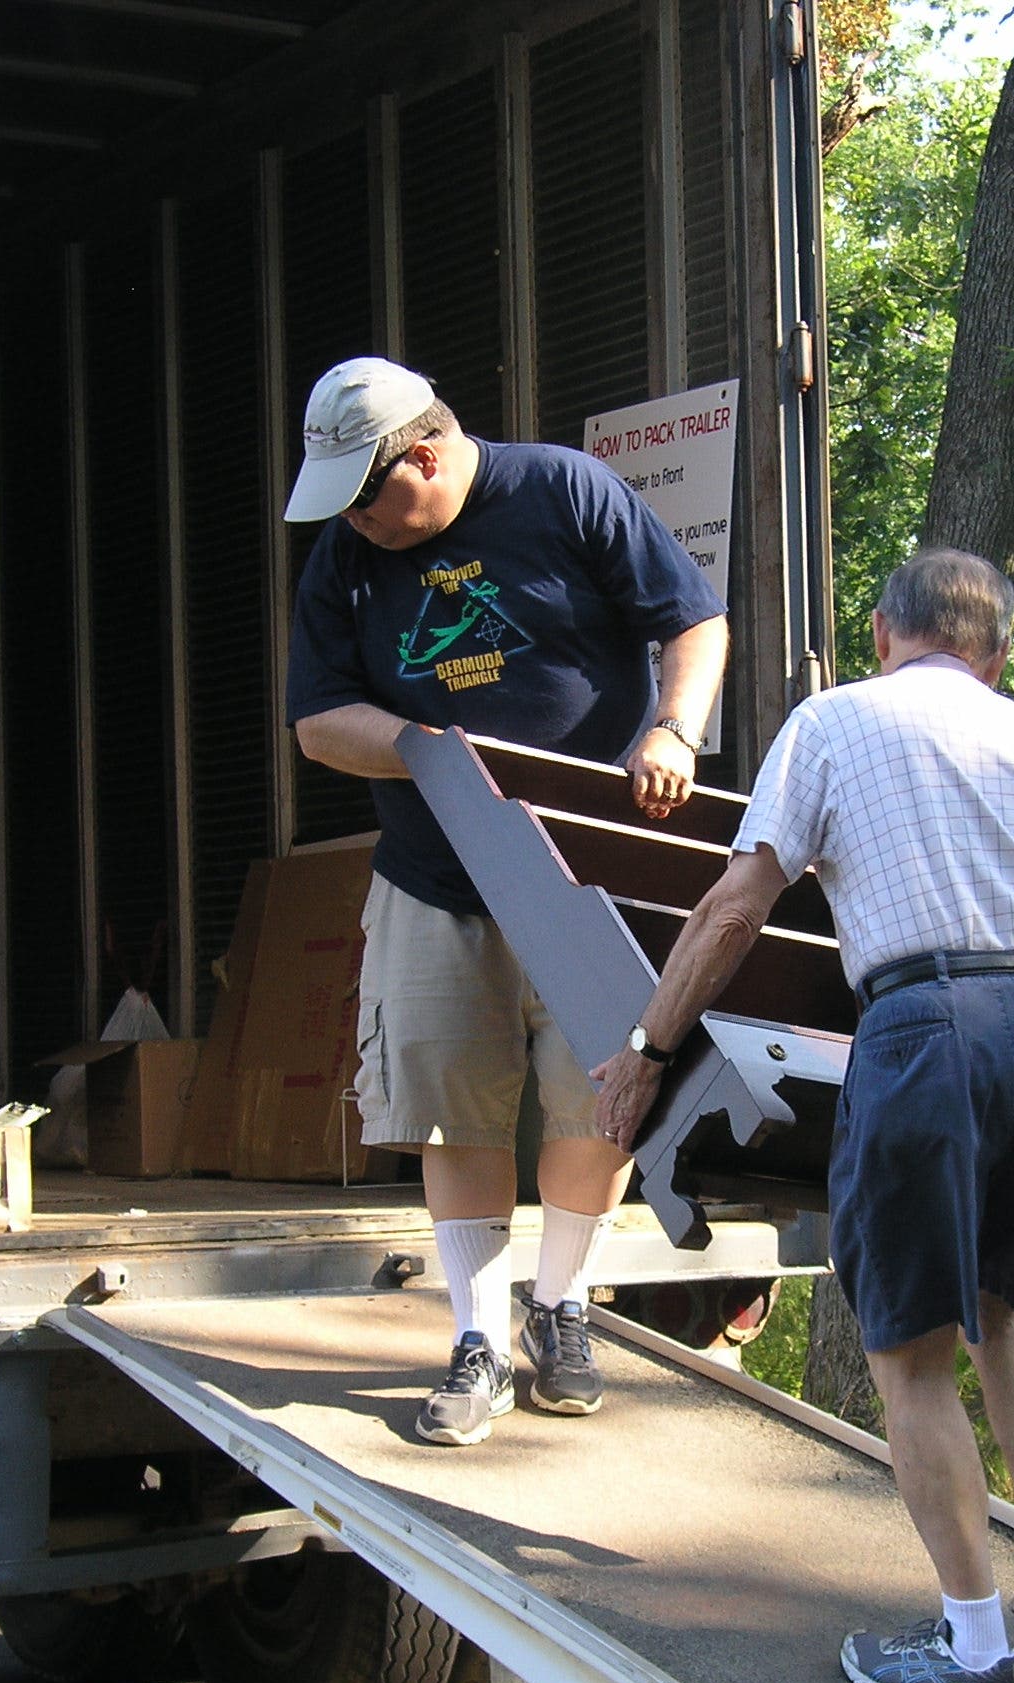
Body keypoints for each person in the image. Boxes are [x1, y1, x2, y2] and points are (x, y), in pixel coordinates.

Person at [591, 548, 1014, 1683]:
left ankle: (978, 1656)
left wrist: (645, 1045)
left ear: (883, 634)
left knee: (911, 1352)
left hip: (930, 1022)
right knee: (1006, 1314)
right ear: (993, 655)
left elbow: (740, 904)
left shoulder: (833, 722)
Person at [283, 356, 729, 1448]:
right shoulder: (345, 554)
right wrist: (429, 753)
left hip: (591, 875)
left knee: (603, 1094)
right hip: (437, 876)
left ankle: (562, 1304)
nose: (354, 525)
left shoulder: (565, 491)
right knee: (449, 1098)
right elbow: (317, 720)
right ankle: (476, 1340)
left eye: (366, 498)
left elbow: (694, 621)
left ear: (425, 458)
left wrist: (673, 730)